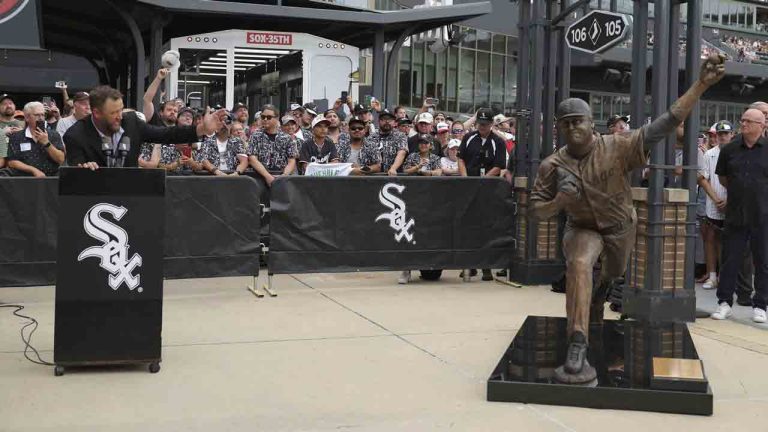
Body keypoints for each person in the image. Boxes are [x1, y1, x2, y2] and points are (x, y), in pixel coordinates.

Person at [528, 54, 725, 384]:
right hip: (582, 227)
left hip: (621, 228)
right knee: (578, 264)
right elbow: (536, 210)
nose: (574, 126)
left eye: (579, 120)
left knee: (612, 274)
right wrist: (561, 200)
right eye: (567, 122)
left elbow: (665, 122)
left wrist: (701, 83)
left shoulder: (618, 145)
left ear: (592, 123)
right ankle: (577, 342)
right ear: (559, 128)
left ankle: (601, 290)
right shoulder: (552, 165)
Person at [64, 85, 226, 169]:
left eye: (121, 110)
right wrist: (84, 169)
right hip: (95, 203)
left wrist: (201, 129)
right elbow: (76, 173)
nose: (120, 116)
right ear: (97, 113)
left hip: (132, 197)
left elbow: (166, 134)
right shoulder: (75, 135)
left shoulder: (131, 122)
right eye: (113, 112)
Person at [712, 108, 768, 323]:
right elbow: (724, 178)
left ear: (761, 126)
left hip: (762, 215)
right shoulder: (730, 149)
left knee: (762, 261)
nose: (743, 124)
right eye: (742, 120)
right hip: (735, 213)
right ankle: (724, 302)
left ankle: (760, 305)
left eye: (748, 121)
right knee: (729, 260)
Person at [698, 120, 732, 290]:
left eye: (726, 134)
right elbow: (703, 178)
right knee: (711, 237)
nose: (722, 137)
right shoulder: (709, 154)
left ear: (732, 135)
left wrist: (729, 199)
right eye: (720, 134)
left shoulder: (737, 153)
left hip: (733, 203)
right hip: (714, 202)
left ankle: (723, 276)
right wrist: (716, 198)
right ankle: (712, 276)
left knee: (729, 241)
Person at [5, 101, 65, 177]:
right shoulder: (17, 136)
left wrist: (47, 143)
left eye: (43, 115)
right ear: (27, 118)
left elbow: (61, 160)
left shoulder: (53, 134)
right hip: (25, 179)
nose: (41, 118)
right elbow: (12, 162)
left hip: (50, 179)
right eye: (37, 115)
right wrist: (33, 170)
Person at [247, 105, 299, 185]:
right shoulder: (255, 136)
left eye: (269, 117)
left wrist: (284, 176)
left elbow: (291, 161)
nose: (265, 119)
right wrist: (267, 176)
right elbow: (252, 159)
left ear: (277, 119)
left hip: (282, 178)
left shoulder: (287, 138)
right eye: (263, 117)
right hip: (259, 178)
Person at [368, 109, 407, 175]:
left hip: (394, 175)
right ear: (379, 121)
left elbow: (402, 152)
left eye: (390, 119)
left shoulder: (400, 135)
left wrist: (393, 168)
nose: (387, 122)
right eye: (383, 119)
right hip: (374, 176)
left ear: (394, 122)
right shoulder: (371, 137)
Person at [0, 93, 24, 169]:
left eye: (10, 103)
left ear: (14, 106)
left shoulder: (24, 123)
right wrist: (2, 133)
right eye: (4, 104)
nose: (8, 106)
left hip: (20, 164)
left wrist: (23, 133)